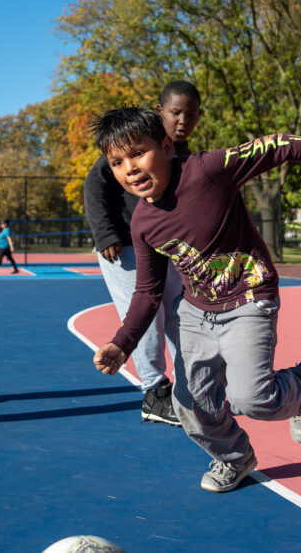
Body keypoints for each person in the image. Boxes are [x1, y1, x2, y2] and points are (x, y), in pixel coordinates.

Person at [90, 107, 301, 493]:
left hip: (249, 299)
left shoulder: (209, 170)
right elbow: (147, 292)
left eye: (138, 153)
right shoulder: (143, 224)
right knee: (189, 405)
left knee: (253, 399)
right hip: (197, 312)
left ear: (166, 146)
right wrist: (121, 343)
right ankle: (234, 457)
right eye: (117, 162)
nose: (130, 168)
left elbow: (281, 145)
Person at [83, 81, 203, 427]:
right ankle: (154, 392)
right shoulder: (132, 144)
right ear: (159, 111)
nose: (183, 120)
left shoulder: (184, 153)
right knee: (146, 316)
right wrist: (105, 232)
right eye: (175, 113)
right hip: (123, 246)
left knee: (179, 314)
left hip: (164, 248)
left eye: (190, 115)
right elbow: (95, 184)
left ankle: (193, 385)